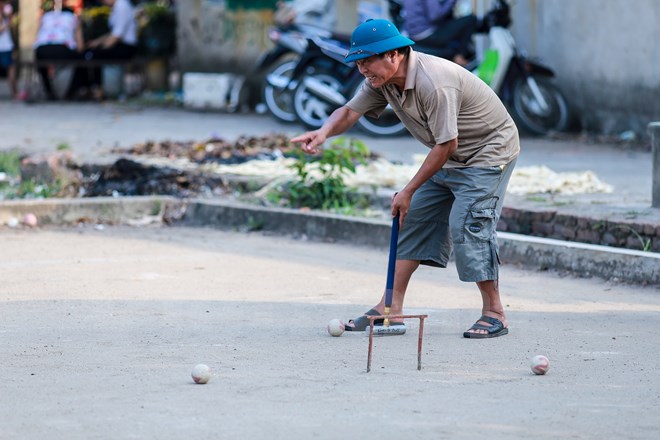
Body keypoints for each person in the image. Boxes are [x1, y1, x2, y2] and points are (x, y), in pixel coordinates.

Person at [290, 18, 519, 339]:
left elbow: (446, 144)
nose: (363, 69)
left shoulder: (435, 81)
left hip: (487, 152)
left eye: (367, 60)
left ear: (395, 54)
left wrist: (408, 190)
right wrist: (323, 132)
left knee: (469, 223)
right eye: (358, 62)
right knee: (413, 221)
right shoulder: (380, 81)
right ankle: (390, 309)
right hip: (449, 153)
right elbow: (349, 112)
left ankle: (495, 312)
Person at [84, 0, 137, 100]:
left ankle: (98, 90)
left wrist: (102, 47)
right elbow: (112, 33)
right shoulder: (117, 6)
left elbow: (117, 36)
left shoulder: (122, 6)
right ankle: (92, 89)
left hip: (126, 47)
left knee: (95, 55)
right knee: (91, 53)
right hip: (120, 44)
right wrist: (97, 42)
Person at [34, 0, 86, 100]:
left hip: (42, 50)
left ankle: (49, 91)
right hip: (64, 49)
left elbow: (37, 39)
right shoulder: (74, 18)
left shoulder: (45, 17)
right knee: (82, 59)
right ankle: (70, 92)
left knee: (39, 59)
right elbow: (80, 46)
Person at [402, 0, 477, 66]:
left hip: (414, 35)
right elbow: (435, 16)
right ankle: (459, 57)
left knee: (452, 24)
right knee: (470, 20)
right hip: (427, 34)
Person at [0, 0, 17, 99]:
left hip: (6, 46)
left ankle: (14, 93)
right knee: (11, 68)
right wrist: (8, 23)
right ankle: (14, 93)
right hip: (3, 47)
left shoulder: (4, 14)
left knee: (11, 68)